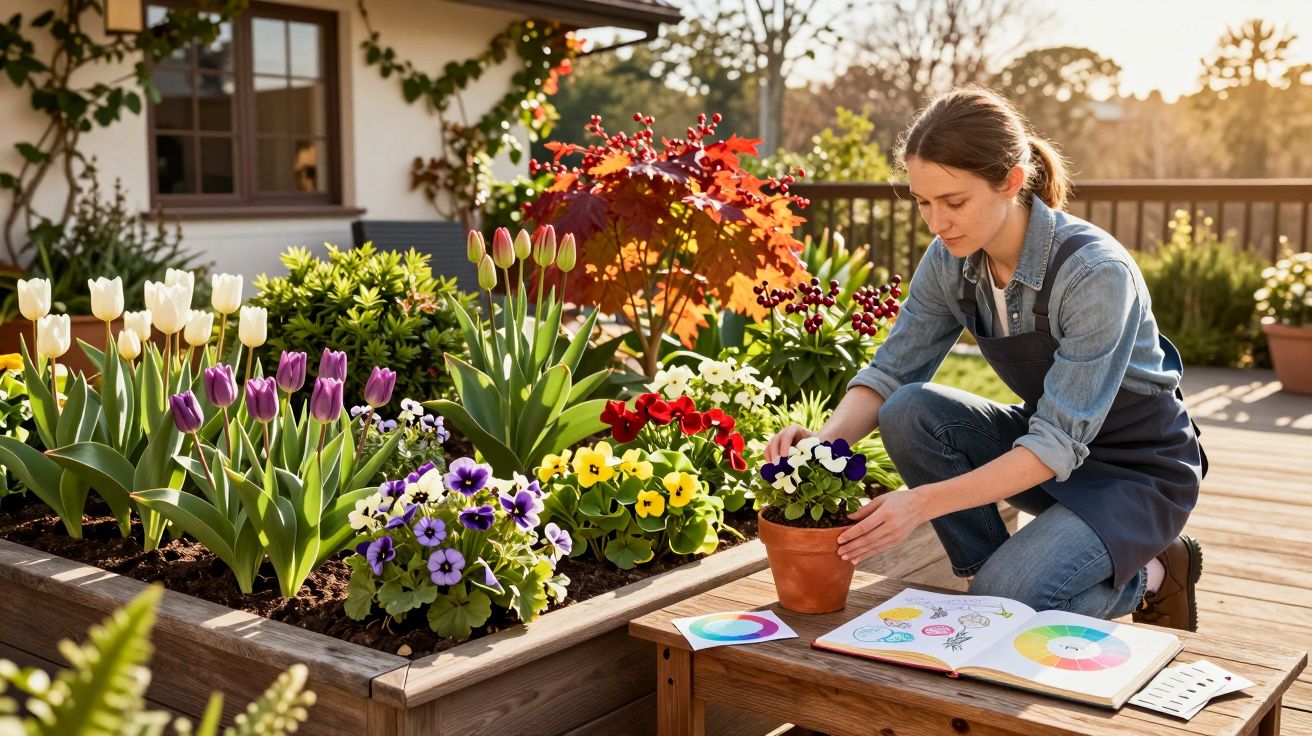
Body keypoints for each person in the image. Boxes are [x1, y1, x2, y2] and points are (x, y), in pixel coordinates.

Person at [764, 86, 1207, 632]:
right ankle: (994, 586)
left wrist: (920, 503)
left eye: (953, 202)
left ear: (1011, 182)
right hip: (1048, 448)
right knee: (907, 408)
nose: (936, 222)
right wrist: (824, 447)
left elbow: (1056, 442)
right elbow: (892, 370)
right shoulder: (951, 259)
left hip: (1136, 473)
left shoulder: (1095, 274)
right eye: (923, 202)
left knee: (1012, 597)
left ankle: (1157, 572)